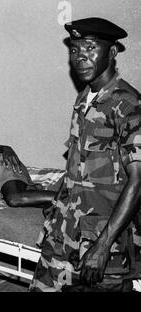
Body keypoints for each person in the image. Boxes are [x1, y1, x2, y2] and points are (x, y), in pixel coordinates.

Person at [30, 17, 141, 292]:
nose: (81, 57)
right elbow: (77, 169)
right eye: (75, 49)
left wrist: (103, 246)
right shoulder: (83, 99)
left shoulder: (128, 104)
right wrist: (55, 213)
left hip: (106, 244)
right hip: (65, 235)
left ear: (112, 52)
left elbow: (138, 181)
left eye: (90, 47)